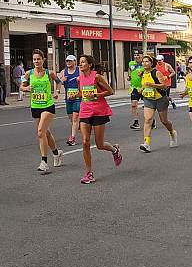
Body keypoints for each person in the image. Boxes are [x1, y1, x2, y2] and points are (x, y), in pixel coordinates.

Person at [77, 55, 122, 184]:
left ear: (89, 65)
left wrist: (97, 94)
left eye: (83, 62)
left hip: (99, 111)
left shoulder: (96, 77)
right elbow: (82, 94)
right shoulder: (79, 79)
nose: (80, 65)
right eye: (79, 63)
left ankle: (114, 150)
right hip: (85, 111)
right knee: (85, 142)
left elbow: (110, 91)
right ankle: (89, 173)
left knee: (99, 145)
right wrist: (76, 94)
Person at [21, 49, 63, 173]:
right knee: (46, 133)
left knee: (40, 132)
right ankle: (56, 153)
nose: (36, 61)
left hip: (47, 106)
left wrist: (57, 92)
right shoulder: (28, 74)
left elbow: (59, 82)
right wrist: (26, 88)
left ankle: (44, 161)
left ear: (43, 60)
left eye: (39, 59)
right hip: (35, 106)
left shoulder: (49, 73)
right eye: (34, 59)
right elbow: (21, 86)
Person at [139, 55, 178, 152]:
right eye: (143, 61)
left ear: (152, 63)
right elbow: (144, 85)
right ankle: (146, 143)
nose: (144, 63)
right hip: (148, 99)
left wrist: (153, 85)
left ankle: (172, 132)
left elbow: (164, 86)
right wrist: (141, 89)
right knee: (148, 120)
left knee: (164, 121)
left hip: (160, 99)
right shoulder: (142, 73)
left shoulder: (156, 73)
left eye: (147, 61)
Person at [58, 55, 80, 146]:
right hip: (68, 98)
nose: (68, 63)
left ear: (75, 61)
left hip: (78, 98)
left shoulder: (79, 70)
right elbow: (58, 81)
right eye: (67, 61)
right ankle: (77, 127)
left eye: (70, 61)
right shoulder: (64, 71)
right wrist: (59, 87)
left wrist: (80, 81)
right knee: (71, 118)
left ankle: (72, 138)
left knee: (75, 117)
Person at [128, 51, 144, 130]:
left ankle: (151, 120)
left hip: (144, 87)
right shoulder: (131, 63)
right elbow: (130, 71)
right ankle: (136, 122)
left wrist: (142, 75)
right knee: (134, 105)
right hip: (134, 87)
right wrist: (129, 76)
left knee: (148, 106)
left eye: (138, 55)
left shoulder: (145, 64)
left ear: (142, 55)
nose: (136, 56)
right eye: (135, 55)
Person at [179, 56, 192, 122]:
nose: (191, 64)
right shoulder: (187, 76)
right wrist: (184, 94)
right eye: (190, 63)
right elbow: (188, 88)